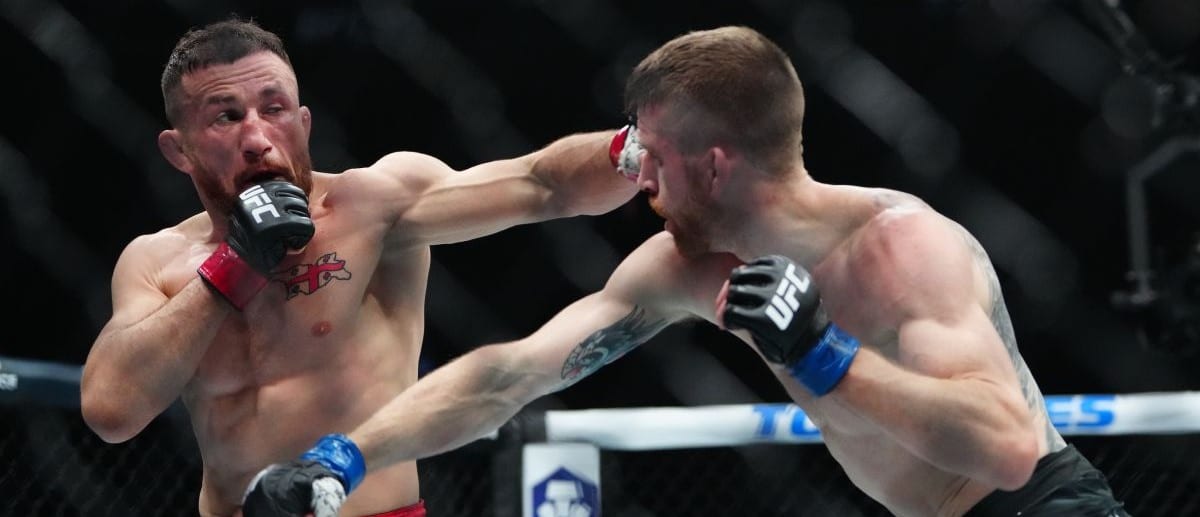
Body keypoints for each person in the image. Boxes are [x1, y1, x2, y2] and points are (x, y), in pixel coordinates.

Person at [243, 26, 1130, 517]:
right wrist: (346, 453)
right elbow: (513, 372)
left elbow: (1010, 449)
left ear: (714, 165)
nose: (637, 179)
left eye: (652, 159)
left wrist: (826, 355)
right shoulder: (688, 266)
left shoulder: (902, 247)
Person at [78, 16, 642, 517]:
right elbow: (112, 411)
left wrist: (637, 149)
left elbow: (540, 184)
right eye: (225, 117)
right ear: (180, 151)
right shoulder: (157, 260)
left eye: (273, 110)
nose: (257, 138)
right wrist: (235, 265)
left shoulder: (375, 206)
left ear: (302, 122)